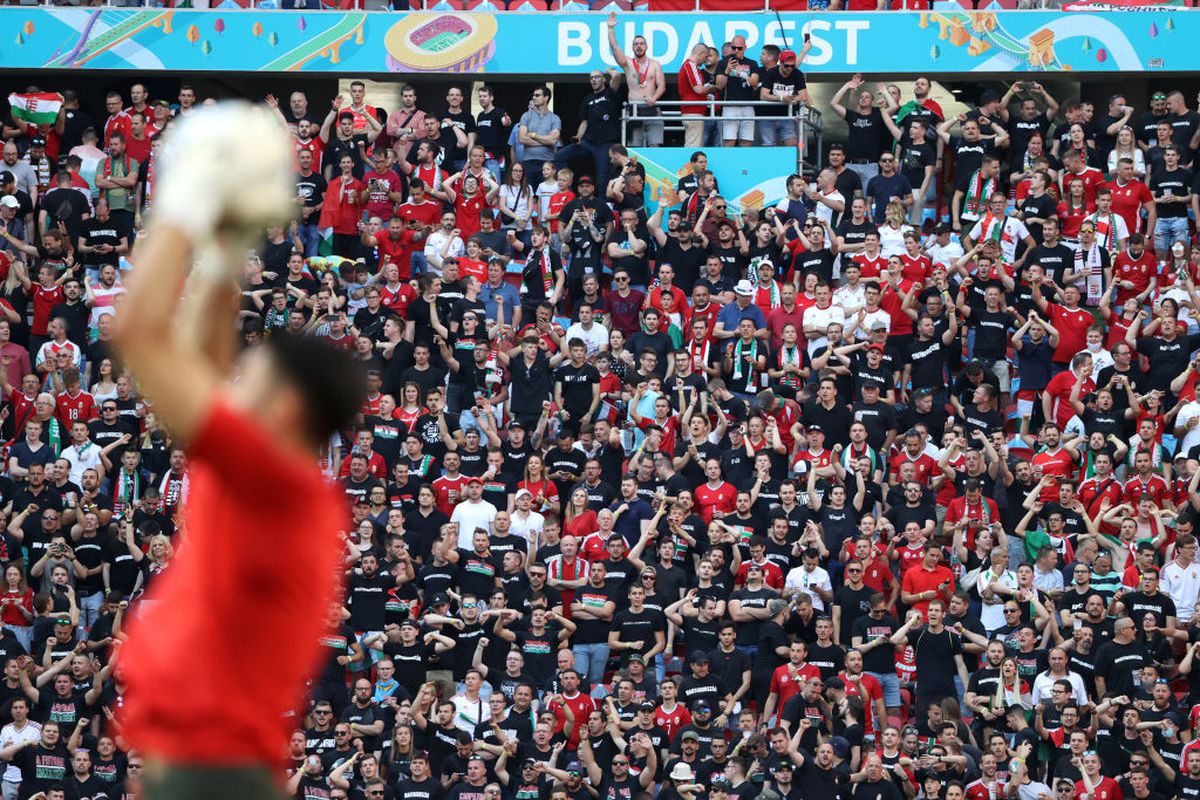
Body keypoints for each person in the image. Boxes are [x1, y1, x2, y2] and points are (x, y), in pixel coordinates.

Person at [113, 105, 364, 799]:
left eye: (252, 374)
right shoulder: (271, 478)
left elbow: (137, 331)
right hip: (206, 773)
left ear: (281, 409)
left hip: (210, 778)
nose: (232, 375)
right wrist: (226, 250)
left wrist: (186, 198)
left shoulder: (273, 482)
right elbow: (199, 351)